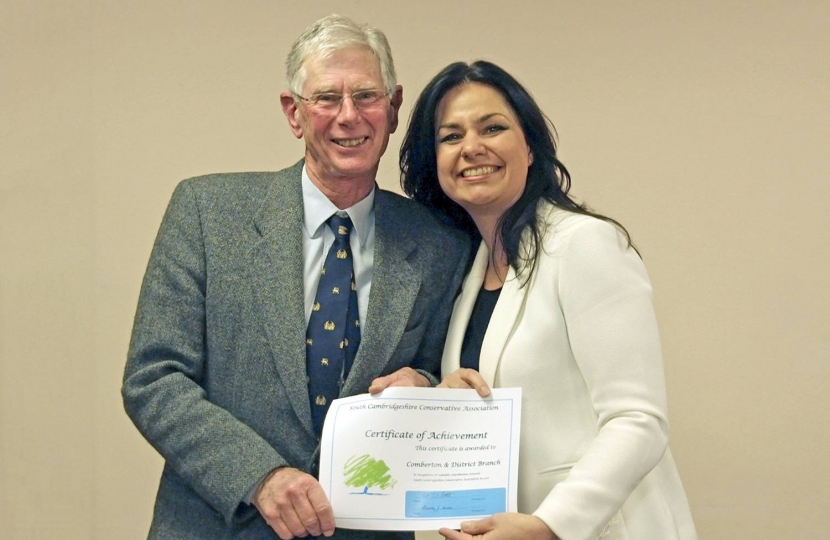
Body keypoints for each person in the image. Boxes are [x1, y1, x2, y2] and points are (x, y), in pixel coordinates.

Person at [122, 15, 470, 540]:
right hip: (219, 526)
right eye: (326, 98)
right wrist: (258, 476)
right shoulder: (207, 211)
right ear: (294, 113)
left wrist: (423, 384)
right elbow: (154, 378)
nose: (348, 117)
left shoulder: (442, 244)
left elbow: (435, 369)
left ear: (394, 108)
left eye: (367, 96)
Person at [400, 61, 697, 540]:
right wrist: (432, 391)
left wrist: (549, 525)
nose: (471, 147)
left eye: (492, 128)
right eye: (449, 136)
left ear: (531, 147)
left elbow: (638, 419)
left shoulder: (585, 244)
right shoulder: (464, 270)